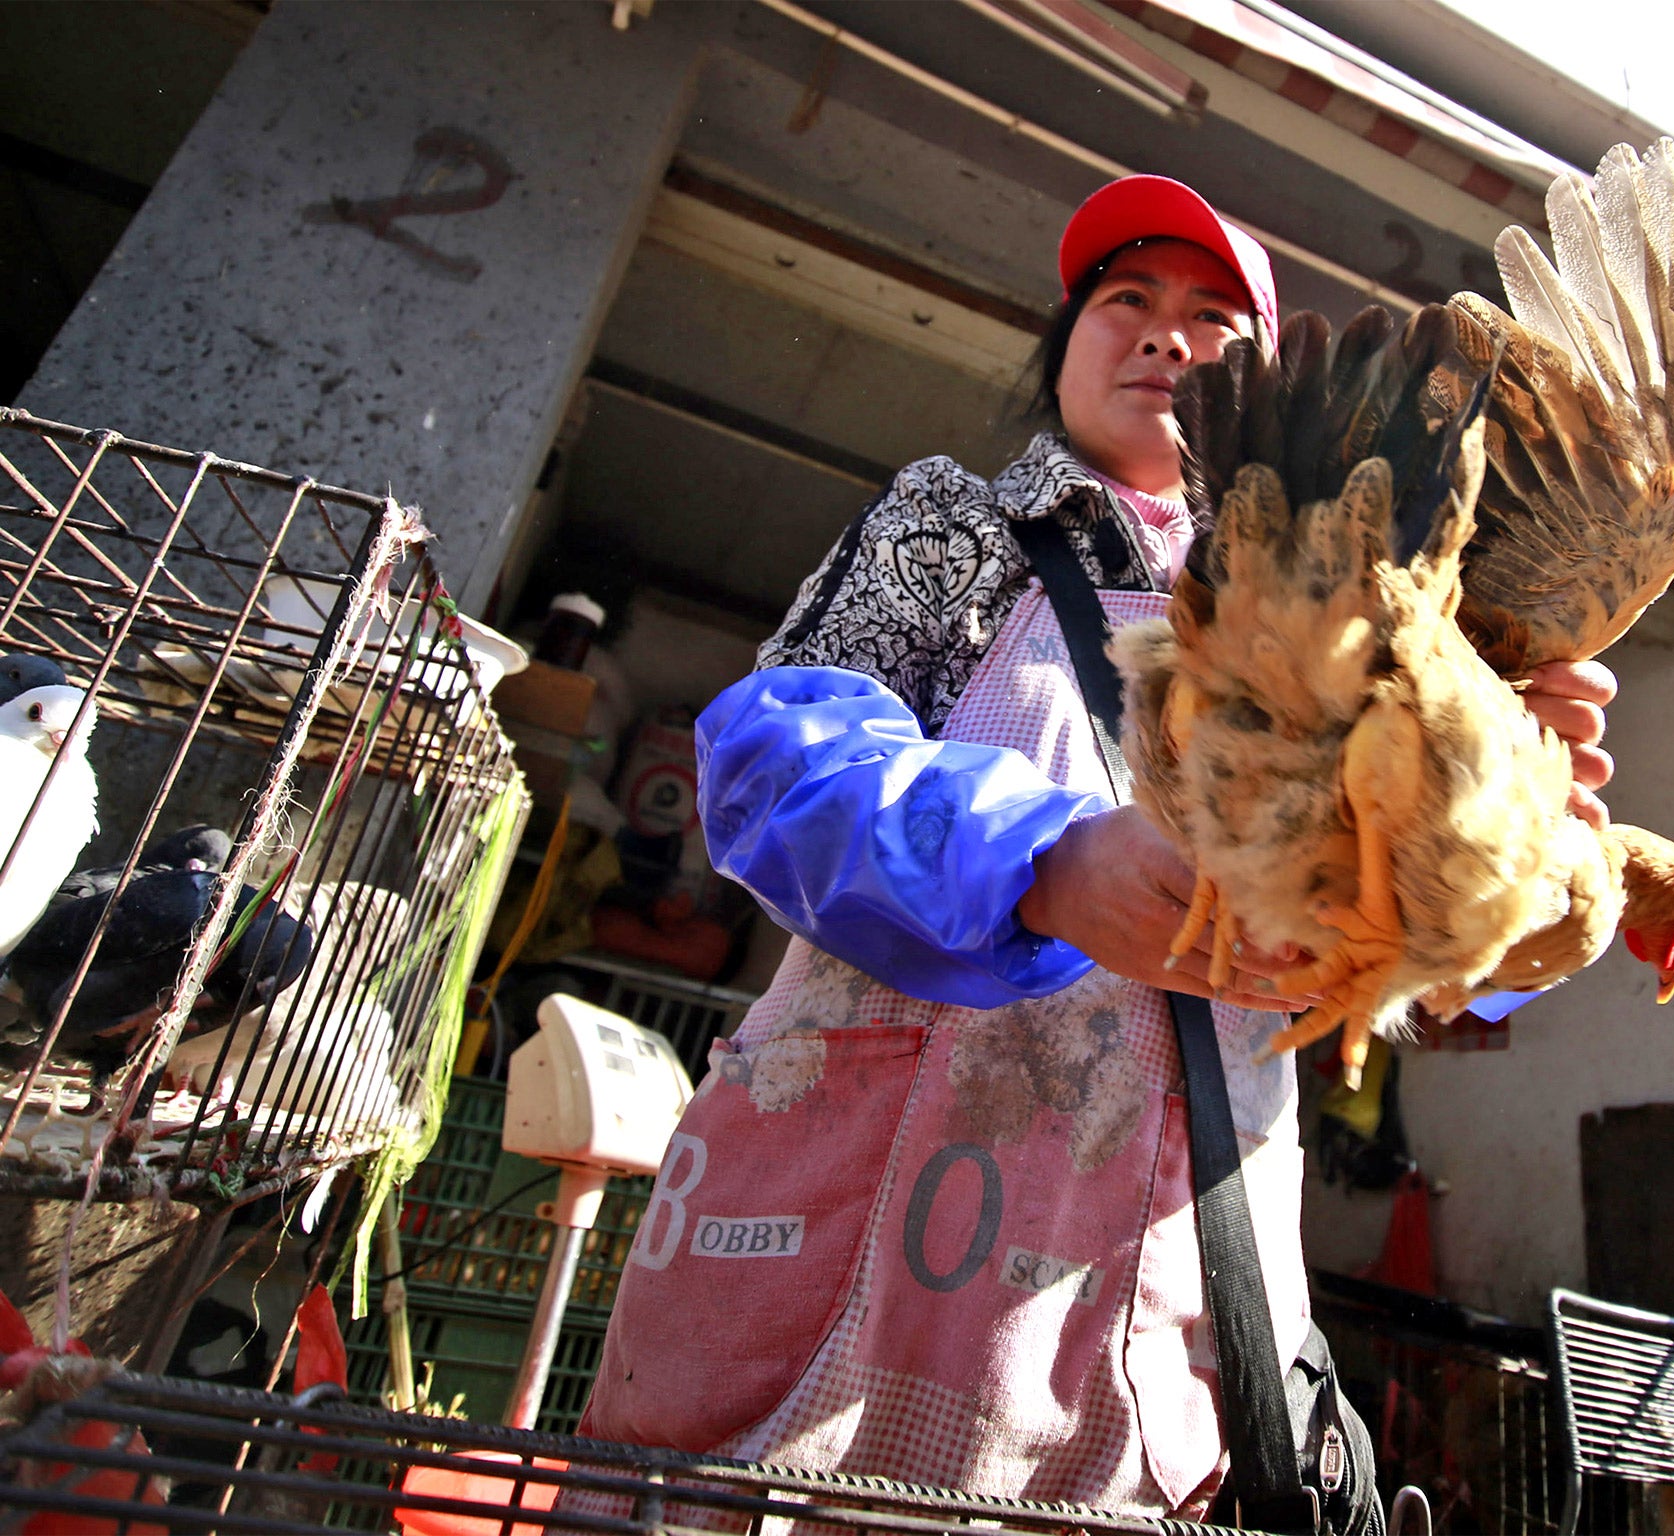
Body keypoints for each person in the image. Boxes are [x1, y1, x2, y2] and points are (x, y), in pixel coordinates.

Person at [577, 176, 1615, 1516]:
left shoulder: (1378, 627)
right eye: (1127, 300)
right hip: (838, 1246)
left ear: (1265, 398)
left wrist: (1517, 857)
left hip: (1153, 1298)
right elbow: (773, 761)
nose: (1166, 336)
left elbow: (1404, 950)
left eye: (1213, 322)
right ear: (1062, 344)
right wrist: (1046, 864)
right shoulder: (956, 529)